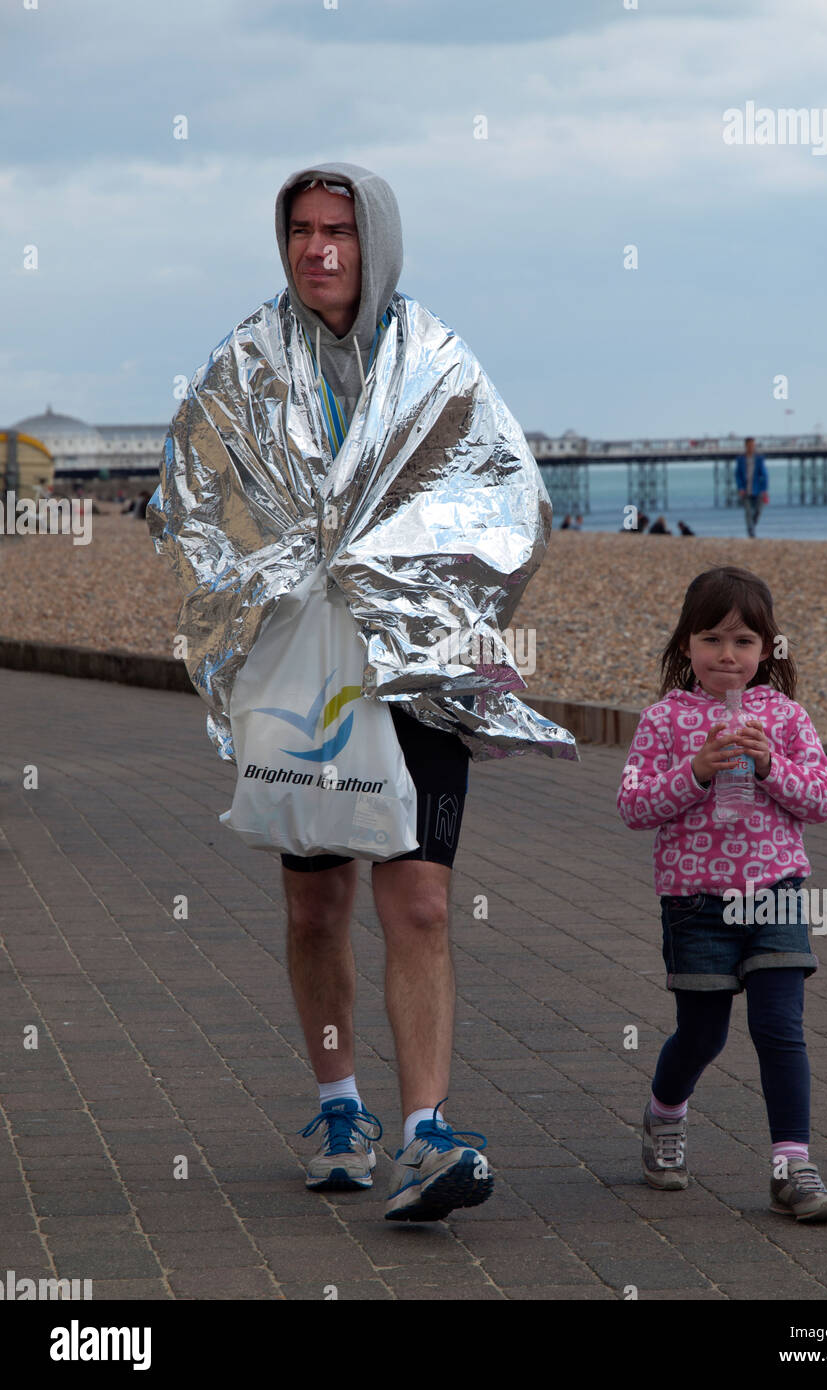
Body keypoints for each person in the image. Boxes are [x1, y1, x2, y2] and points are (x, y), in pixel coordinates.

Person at [148, 161, 577, 1223]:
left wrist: (454, 606)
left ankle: (428, 1133)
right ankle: (340, 1107)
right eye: (299, 230)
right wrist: (277, 575)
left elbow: (509, 492)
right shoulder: (245, 362)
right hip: (299, 663)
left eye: (338, 230)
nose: (317, 250)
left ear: (373, 240)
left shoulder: (433, 360)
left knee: (419, 897)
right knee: (314, 899)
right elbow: (189, 494)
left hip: (414, 665)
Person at [616, 565, 827, 1221]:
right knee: (702, 1034)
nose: (727, 655)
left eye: (743, 641)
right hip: (696, 903)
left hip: (776, 893)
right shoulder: (665, 719)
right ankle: (664, 1114)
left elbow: (822, 800)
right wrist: (695, 771)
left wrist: (770, 765)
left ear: (767, 650)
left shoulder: (786, 716)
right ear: (686, 645)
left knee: (779, 1029)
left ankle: (791, 1166)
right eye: (711, 639)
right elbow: (634, 806)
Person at [735, 437, 769, 537]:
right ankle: (751, 531)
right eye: (749, 445)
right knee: (748, 512)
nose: (751, 447)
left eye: (753, 445)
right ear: (746, 446)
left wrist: (765, 490)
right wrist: (740, 487)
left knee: (758, 511)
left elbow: (765, 474)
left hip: (757, 489)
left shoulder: (759, 458)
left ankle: (751, 526)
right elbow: (737, 475)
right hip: (745, 490)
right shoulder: (740, 459)